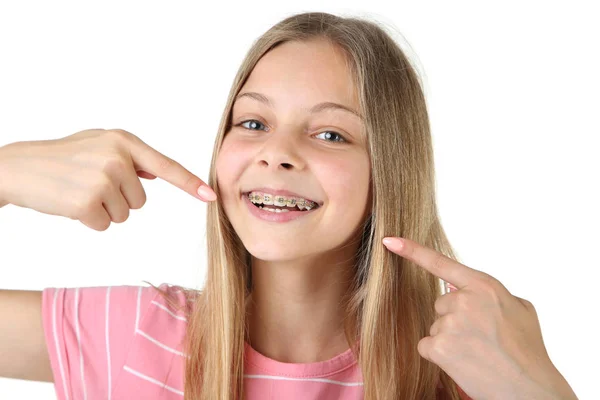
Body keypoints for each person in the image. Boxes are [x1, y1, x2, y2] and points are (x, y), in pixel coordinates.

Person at [0, 11, 578, 400]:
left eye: (330, 134)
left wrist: (542, 393)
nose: (276, 153)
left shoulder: (469, 368)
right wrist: (5, 172)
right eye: (253, 122)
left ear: (392, 173)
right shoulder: (136, 336)